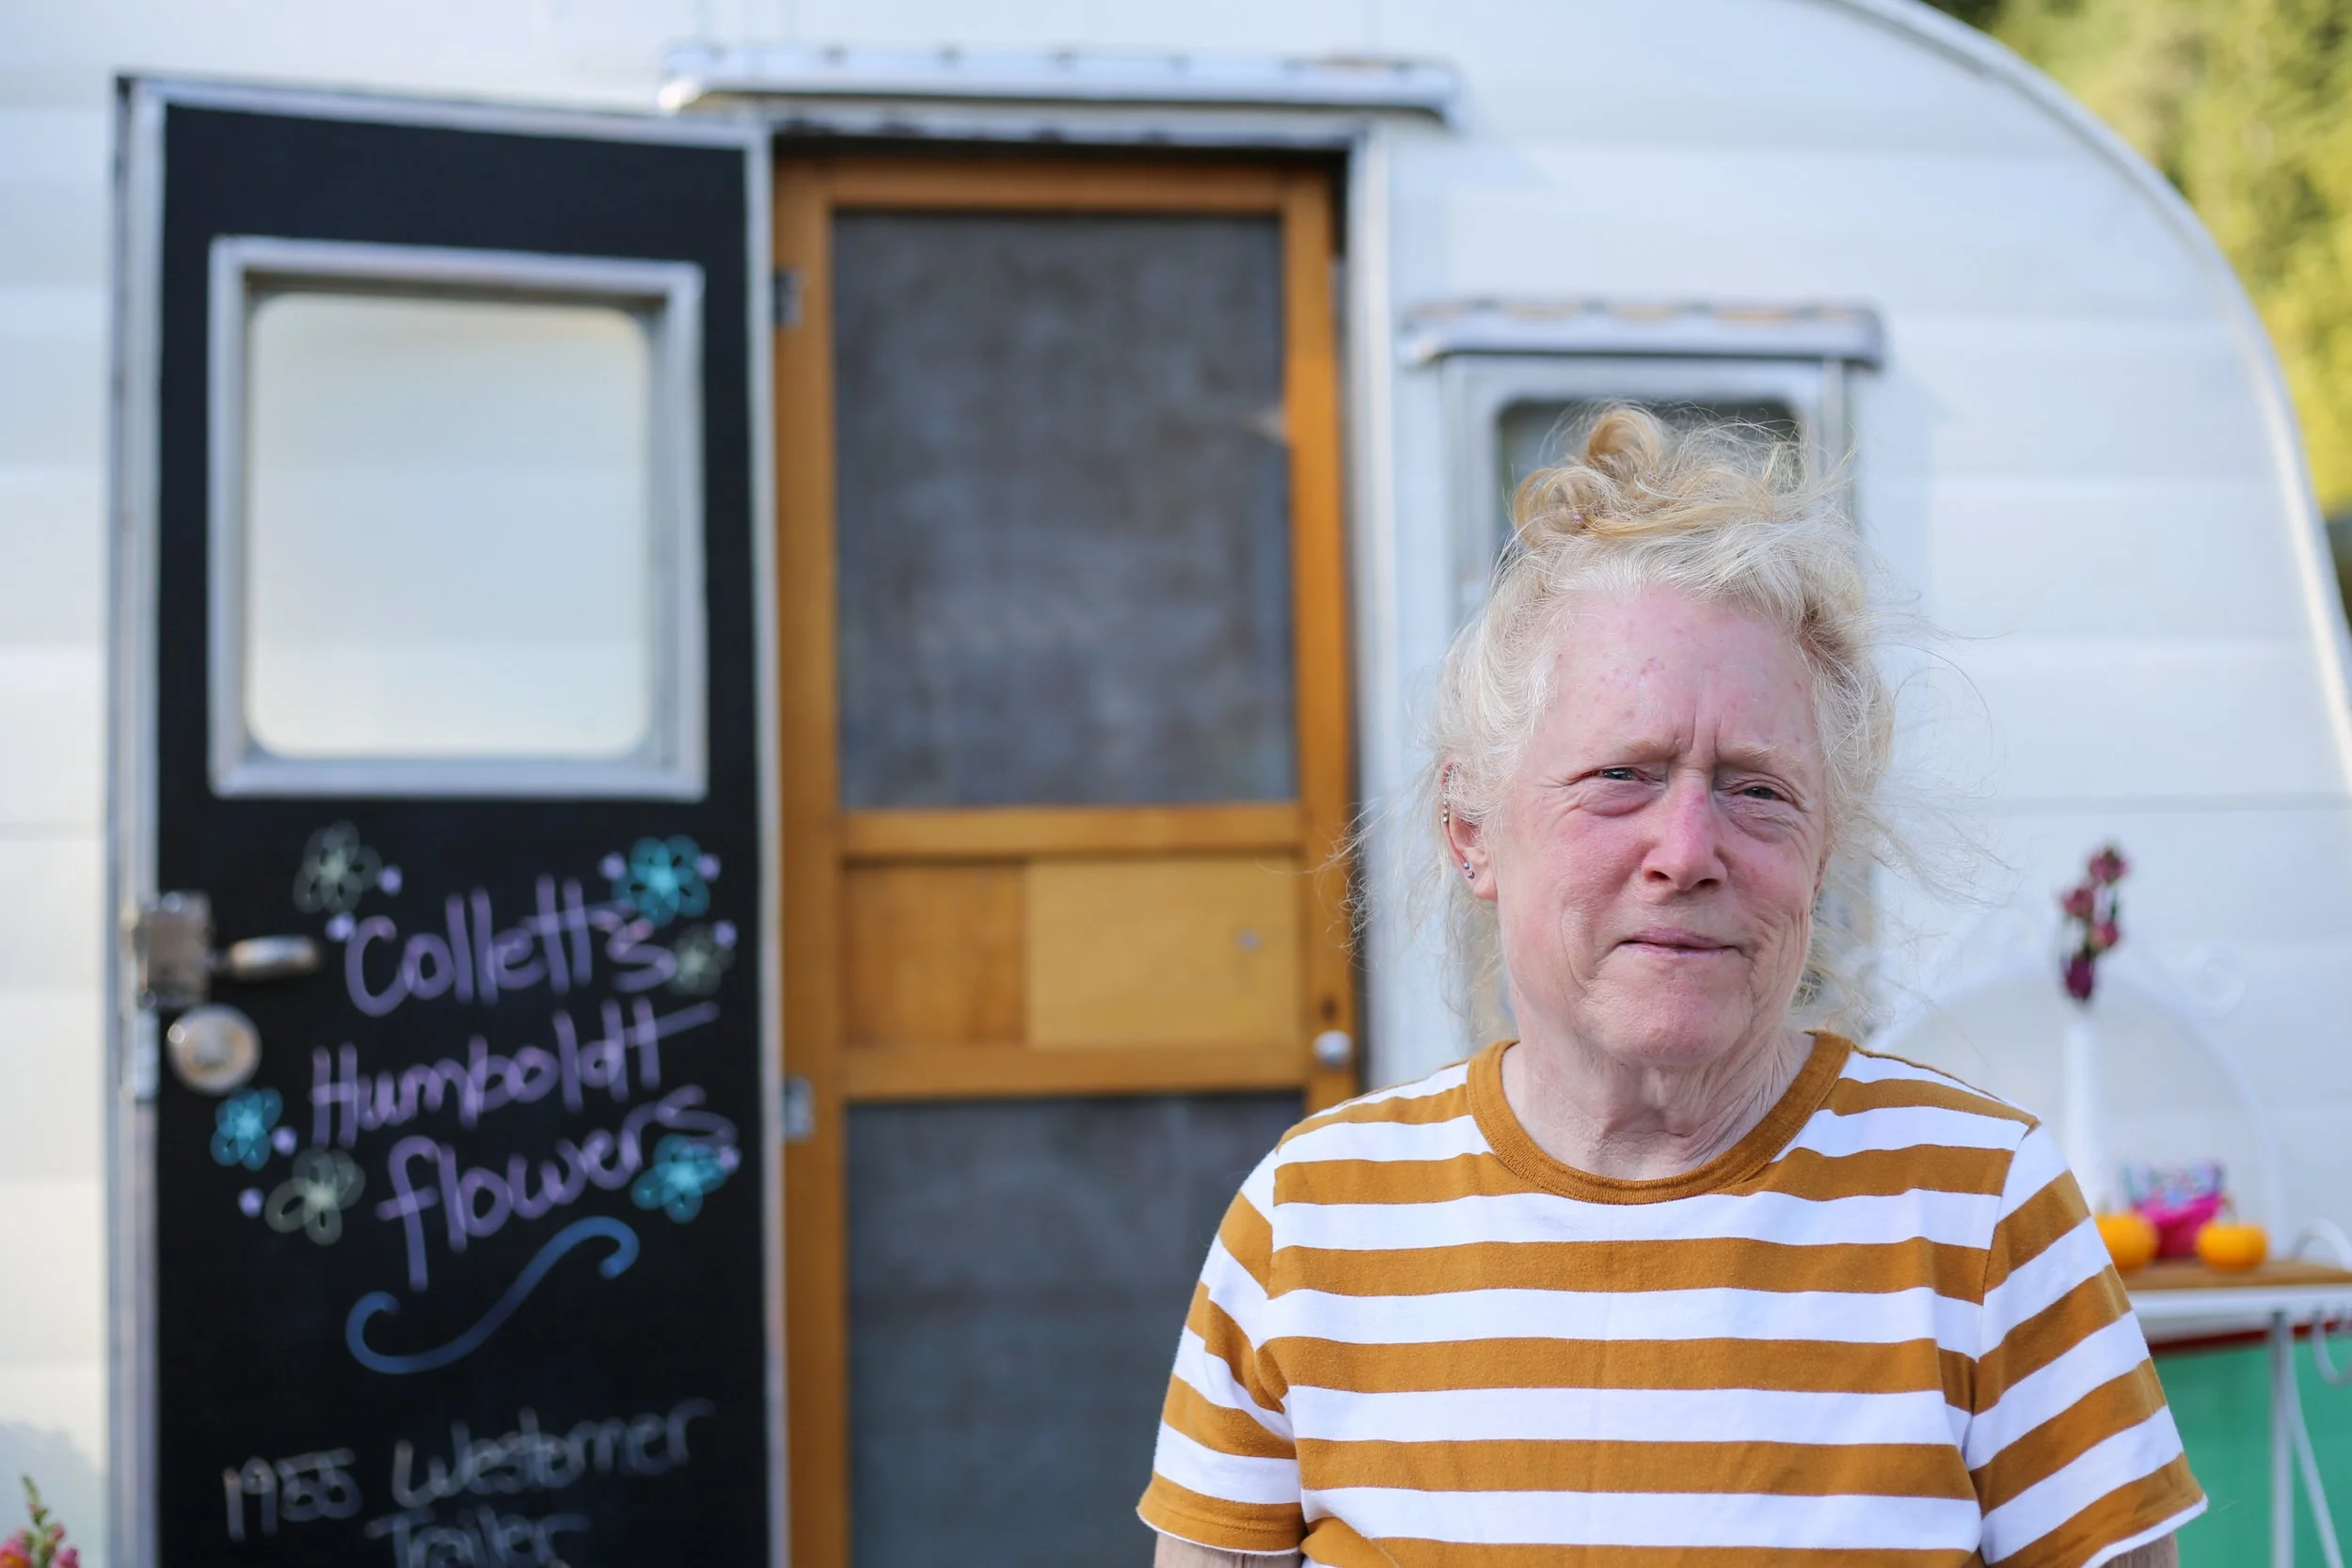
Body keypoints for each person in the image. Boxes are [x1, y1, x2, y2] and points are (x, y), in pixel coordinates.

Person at [1138, 408, 2201, 1566]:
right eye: (1620, 775)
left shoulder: (1981, 1211)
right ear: (1470, 830)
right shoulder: (1310, 1221)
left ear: (1823, 846)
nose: (1687, 847)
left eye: (1756, 789)